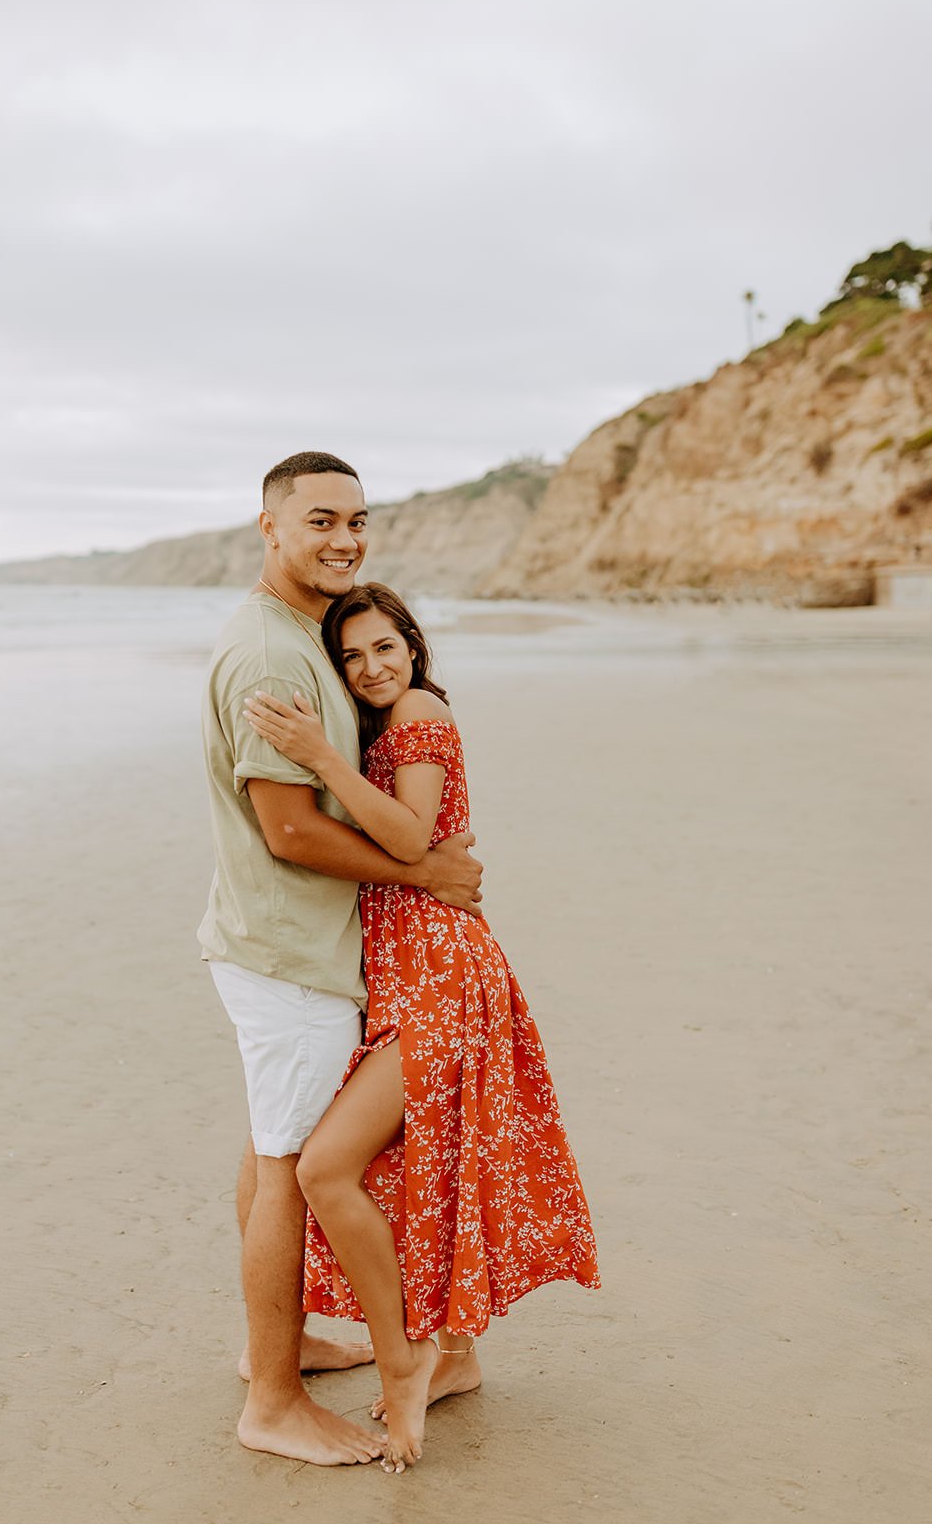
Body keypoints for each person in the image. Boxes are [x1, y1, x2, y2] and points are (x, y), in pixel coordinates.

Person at [244, 582, 600, 1474]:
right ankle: (458, 1356)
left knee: (326, 1167)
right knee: (417, 1168)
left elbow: (406, 838)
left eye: (384, 647)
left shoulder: (419, 708)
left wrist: (321, 759)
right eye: (352, 656)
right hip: (403, 969)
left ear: (412, 644)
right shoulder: (382, 720)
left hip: (442, 972)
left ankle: (403, 1359)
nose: (371, 668)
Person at [198, 456, 484, 1467]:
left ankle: (273, 1347)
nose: (344, 537)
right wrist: (424, 875)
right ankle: (272, 1397)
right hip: (291, 952)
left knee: (274, 1147)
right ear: (269, 526)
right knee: (291, 1167)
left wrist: (416, 871)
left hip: (300, 948)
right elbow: (290, 832)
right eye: (320, 518)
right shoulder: (275, 659)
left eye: (357, 520)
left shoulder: (302, 637)